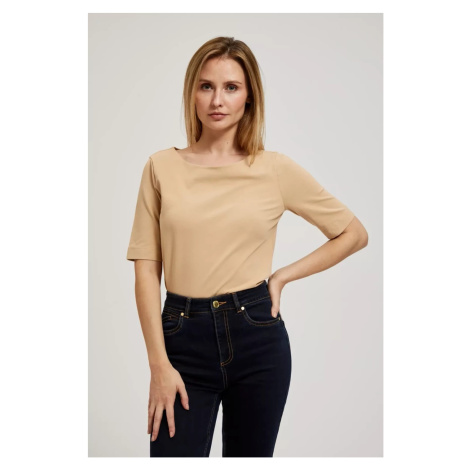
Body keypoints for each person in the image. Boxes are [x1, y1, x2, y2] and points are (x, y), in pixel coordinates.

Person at [126, 36, 368, 458]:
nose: (217, 100)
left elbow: (353, 233)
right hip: (182, 337)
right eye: (206, 86)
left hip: (257, 337)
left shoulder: (274, 169)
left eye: (231, 87)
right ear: (192, 93)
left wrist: (282, 277)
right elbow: (146, 270)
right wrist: (158, 365)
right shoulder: (161, 167)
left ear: (249, 96)